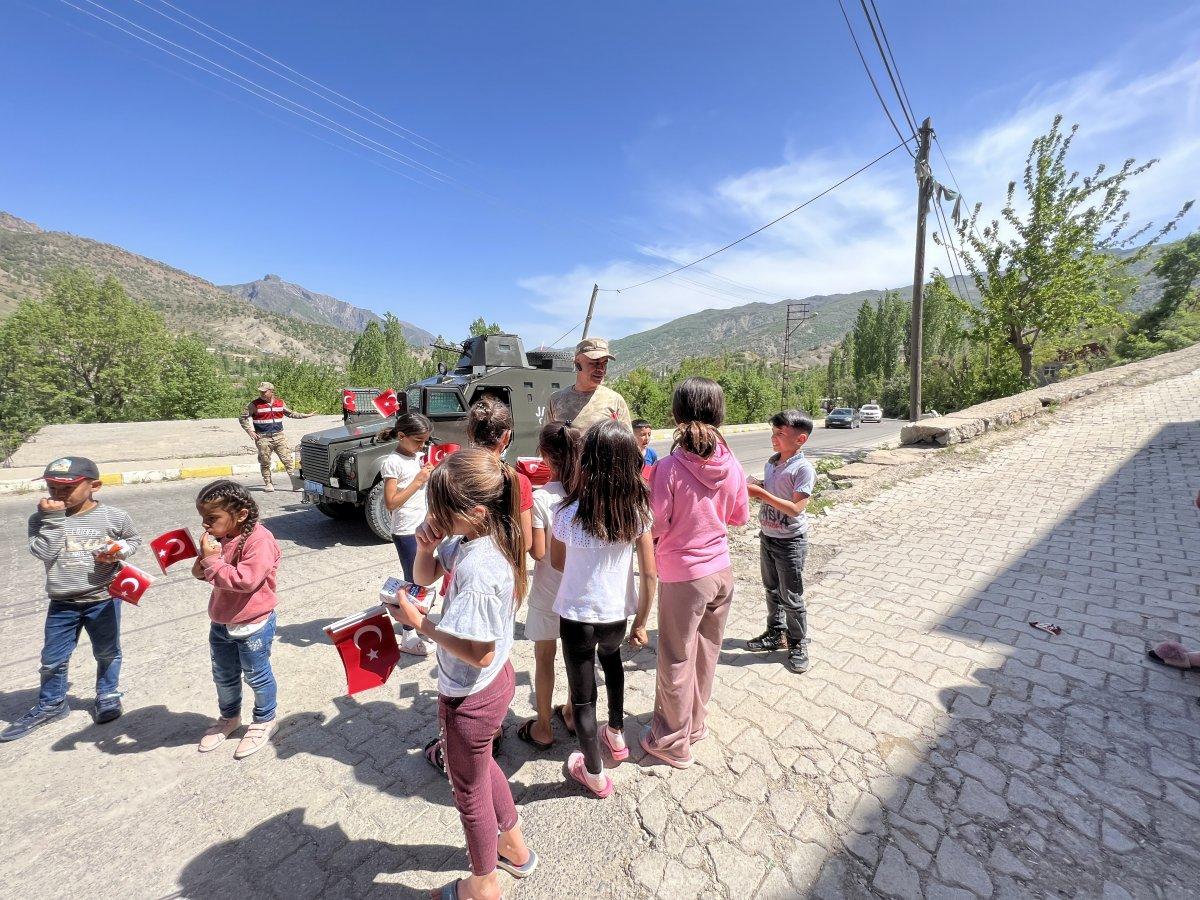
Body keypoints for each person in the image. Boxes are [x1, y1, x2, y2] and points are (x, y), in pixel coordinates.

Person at [386, 448, 537, 900]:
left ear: (472, 511)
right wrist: (427, 546)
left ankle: (483, 885)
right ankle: (515, 848)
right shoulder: (485, 536)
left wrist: (422, 626)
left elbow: (480, 653)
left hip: (469, 695)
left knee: (467, 792)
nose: (433, 515)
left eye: (439, 508)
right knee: (483, 765)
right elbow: (426, 576)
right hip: (491, 688)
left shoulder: (478, 567)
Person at [641, 378, 749, 768]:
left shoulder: (668, 467)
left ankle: (671, 742)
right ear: (718, 413)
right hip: (722, 571)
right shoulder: (731, 462)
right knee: (707, 653)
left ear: (677, 412)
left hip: (684, 576)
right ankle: (695, 724)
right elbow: (739, 516)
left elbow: (656, 525)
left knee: (674, 657)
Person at [551, 420, 656, 797]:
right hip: (616, 615)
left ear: (587, 461)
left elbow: (559, 562)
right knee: (612, 665)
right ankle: (616, 735)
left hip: (577, 616)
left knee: (581, 697)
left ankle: (593, 773)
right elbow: (650, 575)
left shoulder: (567, 513)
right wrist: (641, 622)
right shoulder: (638, 512)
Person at [2, 457, 141, 742]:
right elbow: (43, 553)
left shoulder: (114, 516)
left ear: (95, 486)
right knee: (52, 658)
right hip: (63, 601)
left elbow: (133, 539)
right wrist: (52, 521)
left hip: (103, 597)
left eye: (67, 488)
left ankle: (108, 694)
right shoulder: (40, 519)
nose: (57, 494)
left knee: (107, 651)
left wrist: (118, 551)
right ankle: (52, 703)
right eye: (52, 488)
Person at [193, 479, 282, 759]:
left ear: (241, 514)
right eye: (203, 518)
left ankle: (264, 718)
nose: (206, 525)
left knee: (256, 674)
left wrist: (213, 562)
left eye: (212, 518)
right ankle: (229, 717)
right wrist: (204, 557)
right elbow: (200, 573)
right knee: (224, 675)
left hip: (253, 623)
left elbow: (246, 580)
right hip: (221, 620)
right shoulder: (222, 538)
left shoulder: (260, 540)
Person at [517, 421, 581, 750]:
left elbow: (539, 551)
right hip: (579, 591)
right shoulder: (584, 493)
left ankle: (543, 726)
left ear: (543, 455)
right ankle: (571, 712)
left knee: (545, 658)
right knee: (576, 657)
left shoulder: (542, 498)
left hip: (547, 591)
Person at [746, 410, 816, 674]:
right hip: (769, 537)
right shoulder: (772, 463)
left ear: (800, 439)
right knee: (772, 590)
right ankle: (775, 632)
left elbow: (797, 507)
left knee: (792, 596)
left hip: (790, 542)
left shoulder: (803, 468)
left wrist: (762, 494)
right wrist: (760, 486)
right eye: (773, 433)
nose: (774, 438)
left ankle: (797, 642)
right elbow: (775, 491)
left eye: (780, 434)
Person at [381, 412, 436, 656]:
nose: (422, 445)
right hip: (405, 530)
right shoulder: (392, 462)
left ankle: (417, 623)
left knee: (422, 580)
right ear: (401, 436)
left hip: (421, 525)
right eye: (418, 440)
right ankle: (408, 633)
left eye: (425, 440)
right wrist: (418, 480)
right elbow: (391, 503)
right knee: (412, 581)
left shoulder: (415, 456)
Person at [467, 396, 533, 551]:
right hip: (503, 568)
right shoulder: (517, 480)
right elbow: (526, 543)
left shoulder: (453, 474)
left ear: (470, 433)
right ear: (507, 436)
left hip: (460, 566)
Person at [238, 381, 314, 492]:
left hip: (279, 436)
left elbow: (291, 413)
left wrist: (305, 415)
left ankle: (295, 483)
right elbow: (242, 417)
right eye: (260, 391)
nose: (262, 394)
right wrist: (249, 431)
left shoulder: (280, 403)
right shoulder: (254, 404)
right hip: (263, 438)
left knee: (288, 460)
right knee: (265, 461)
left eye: (264, 391)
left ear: (271, 391)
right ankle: (268, 483)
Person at [548, 338, 632, 431]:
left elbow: (627, 442)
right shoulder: (556, 400)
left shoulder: (615, 401)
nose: (601, 369)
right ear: (577, 363)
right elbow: (546, 441)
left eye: (604, 363)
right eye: (594, 363)